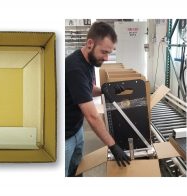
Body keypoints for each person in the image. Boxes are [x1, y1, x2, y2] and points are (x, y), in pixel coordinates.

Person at [65, 22, 130, 177]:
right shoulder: (75, 68)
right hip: (65, 136)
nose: (107, 58)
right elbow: (92, 117)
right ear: (90, 43)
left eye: (110, 52)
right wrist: (112, 146)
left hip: (76, 129)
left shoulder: (87, 61)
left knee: (76, 170)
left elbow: (86, 89)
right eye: (104, 52)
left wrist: (105, 90)